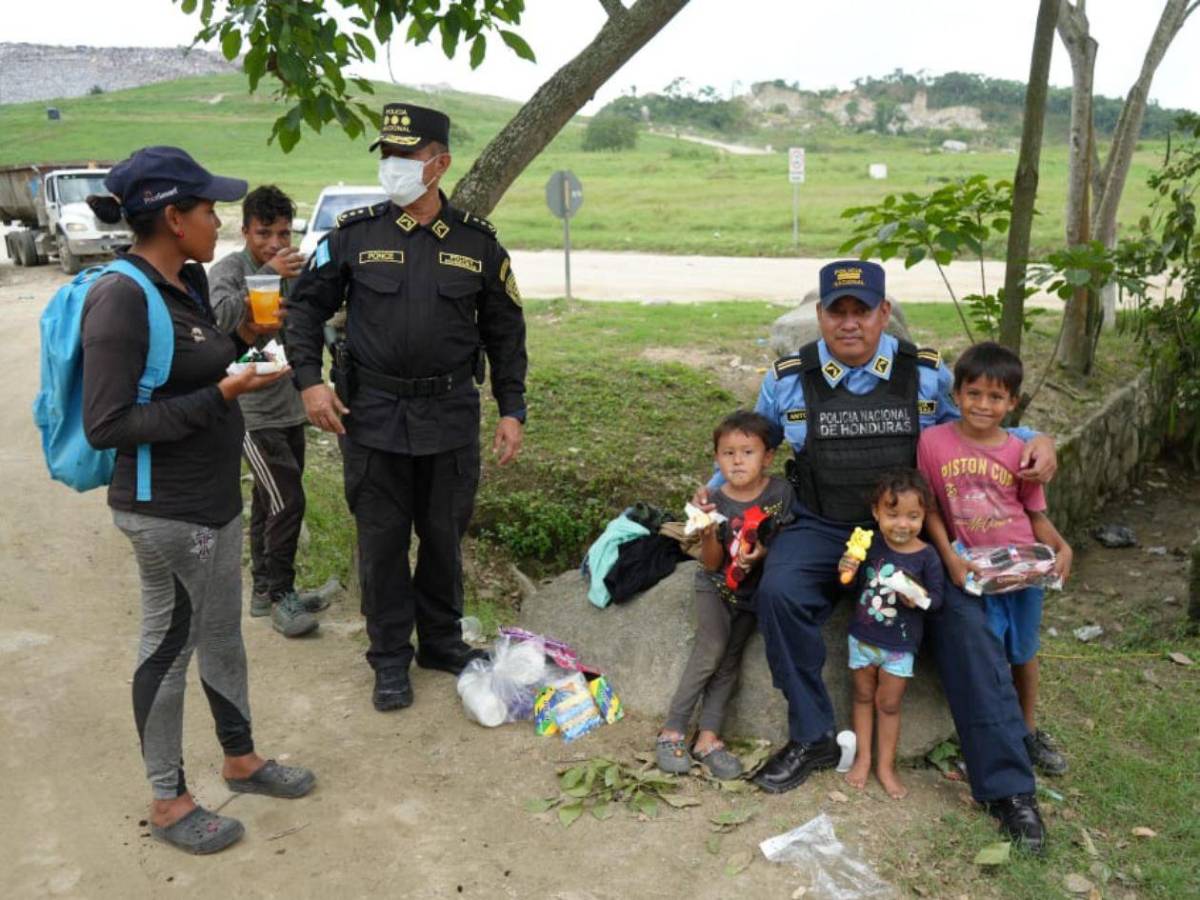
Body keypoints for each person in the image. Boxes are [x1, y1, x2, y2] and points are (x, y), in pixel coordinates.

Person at [697, 259, 1057, 853]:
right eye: (835, 311)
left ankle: (1006, 787)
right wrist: (711, 495)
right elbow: (750, 446)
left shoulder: (925, 375)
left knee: (966, 626)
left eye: (861, 310)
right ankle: (813, 737)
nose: (848, 323)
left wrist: (1035, 439)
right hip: (822, 524)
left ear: (883, 313)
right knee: (779, 592)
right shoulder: (788, 379)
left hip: (909, 533)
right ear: (819, 316)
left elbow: (984, 421)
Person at [81, 146, 315, 855]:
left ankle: (240, 759)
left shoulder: (180, 282)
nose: (220, 219)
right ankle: (167, 799)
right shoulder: (122, 297)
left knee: (221, 637)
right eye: (209, 208)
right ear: (173, 217)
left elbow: (200, 358)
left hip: (212, 502)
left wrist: (247, 342)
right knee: (167, 648)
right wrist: (222, 392)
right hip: (165, 512)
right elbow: (109, 423)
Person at [285, 103, 527, 712]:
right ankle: (390, 657)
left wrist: (511, 408)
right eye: (386, 155)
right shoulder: (353, 234)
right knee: (384, 541)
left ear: (439, 164)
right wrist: (311, 382)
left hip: (448, 416)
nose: (392, 166)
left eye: (405, 156)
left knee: (443, 537)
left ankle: (441, 642)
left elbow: (506, 332)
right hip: (372, 416)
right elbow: (303, 309)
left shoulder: (477, 244)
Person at [918, 341, 1073, 776]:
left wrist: (1063, 546)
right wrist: (948, 554)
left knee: (1023, 652)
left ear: (1012, 402)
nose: (983, 405)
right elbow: (930, 508)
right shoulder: (933, 443)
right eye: (974, 393)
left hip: (1023, 571)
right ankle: (989, 738)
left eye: (995, 396)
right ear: (957, 394)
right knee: (987, 658)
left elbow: (1034, 514)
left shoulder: (1018, 452)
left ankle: (1026, 730)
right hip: (974, 570)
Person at [210, 185, 325, 639]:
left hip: (290, 406)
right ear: (245, 231)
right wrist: (268, 275)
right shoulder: (229, 269)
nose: (276, 243)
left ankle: (264, 591)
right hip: (251, 414)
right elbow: (218, 318)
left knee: (268, 501)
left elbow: (309, 322)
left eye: (283, 233)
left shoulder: (294, 268)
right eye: (264, 234)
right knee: (288, 500)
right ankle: (282, 595)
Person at [657, 411, 794, 780]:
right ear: (716, 458)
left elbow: (785, 541)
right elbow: (712, 563)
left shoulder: (781, 493)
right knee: (710, 652)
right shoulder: (713, 501)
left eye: (747, 452)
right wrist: (705, 531)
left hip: (753, 592)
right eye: (728, 453)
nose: (737, 460)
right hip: (715, 586)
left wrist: (762, 553)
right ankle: (672, 730)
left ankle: (707, 739)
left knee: (730, 660)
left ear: (767, 457)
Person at [842, 469, 944, 799]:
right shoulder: (868, 544)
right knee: (861, 696)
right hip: (862, 638)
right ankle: (863, 757)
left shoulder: (927, 555)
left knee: (888, 704)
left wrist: (915, 597)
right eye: (893, 514)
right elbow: (850, 584)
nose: (902, 524)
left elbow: (936, 600)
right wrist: (846, 569)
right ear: (876, 512)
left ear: (924, 515)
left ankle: (885, 767)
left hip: (899, 646)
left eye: (913, 516)